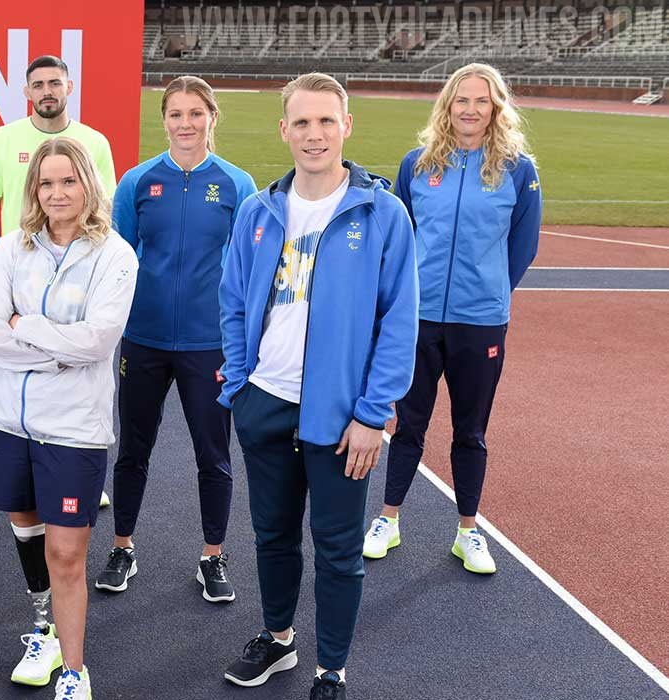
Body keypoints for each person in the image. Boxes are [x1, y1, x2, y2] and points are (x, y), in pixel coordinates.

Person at [217, 74, 417, 700]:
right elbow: (231, 300)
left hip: (342, 417)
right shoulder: (257, 211)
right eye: (302, 122)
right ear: (284, 130)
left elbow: (399, 322)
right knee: (272, 535)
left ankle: (332, 670)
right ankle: (278, 639)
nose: (314, 134)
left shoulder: (382, 214)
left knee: (338, 550)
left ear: (346, 126)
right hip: (266, 401)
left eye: (326, 120)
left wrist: (373, 413)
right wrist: (241, 384)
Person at [0, 136, 138, 700]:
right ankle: (42, 627)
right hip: (10, 422)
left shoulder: (115, 255)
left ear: (88, 184)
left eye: (69, 181)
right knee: (25, 528)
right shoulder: (11, 247)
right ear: (34, 189)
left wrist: (24, 326)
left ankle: (73, 671)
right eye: (46, 182)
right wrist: (52, 350)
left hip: (73, 430)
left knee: (67, 554)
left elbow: (96, 342)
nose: (57, 192)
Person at [365, 63, 542, 574]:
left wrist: (488, 292)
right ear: (447, 105)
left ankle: (468, 531)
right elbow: (401, 235)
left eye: (481, 101)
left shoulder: (518, 169)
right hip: (418, 318)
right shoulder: (417, 164)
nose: (470, 109)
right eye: (462, 100)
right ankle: (388, 519)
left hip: (480, 322)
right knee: (408, 425)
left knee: (471, 430)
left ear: (496, 108)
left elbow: (523, 246)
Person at [95, 76, 256, 601]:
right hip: (143, 338)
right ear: (163, 119)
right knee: (133, 448)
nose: (186, 124)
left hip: (209, 344)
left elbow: (249, 269)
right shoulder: (137, 182)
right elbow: (117, 261)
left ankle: (213, 555)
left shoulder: (238, 184)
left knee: (214, 453)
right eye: (176, 114)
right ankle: (122, 547)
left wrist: (241, 342)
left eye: (195, 113)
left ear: (212, 117)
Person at [0, 54, 118, 507]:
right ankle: (2, 467)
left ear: (69, 87)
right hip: (19, 279)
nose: (47, 91)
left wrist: (25, 328)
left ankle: (75, 471)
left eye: (55, 83)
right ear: (26, 92)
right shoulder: (4, 138)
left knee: (70, 372)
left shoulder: (94, 142)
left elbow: (105, 209)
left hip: (73, 279)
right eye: (38, 85)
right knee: (13, 390)